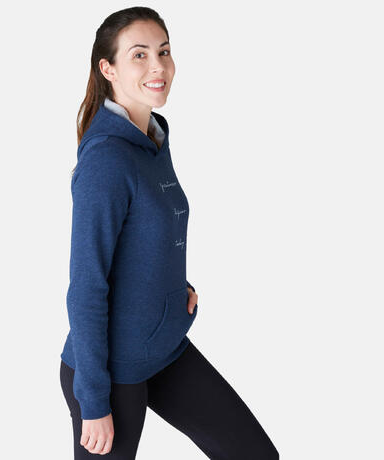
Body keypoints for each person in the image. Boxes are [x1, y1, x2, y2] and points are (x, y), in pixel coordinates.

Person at [59, 6, 279, 459]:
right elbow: (86, 286)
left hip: (163, 349)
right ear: (108, 68)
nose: (158, 66)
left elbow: (145, 237)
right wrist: (93, 400)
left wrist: (174, 288)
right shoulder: (107, 159)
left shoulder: (152, 139)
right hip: (110, 370)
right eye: (139, 55)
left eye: (163, 51)